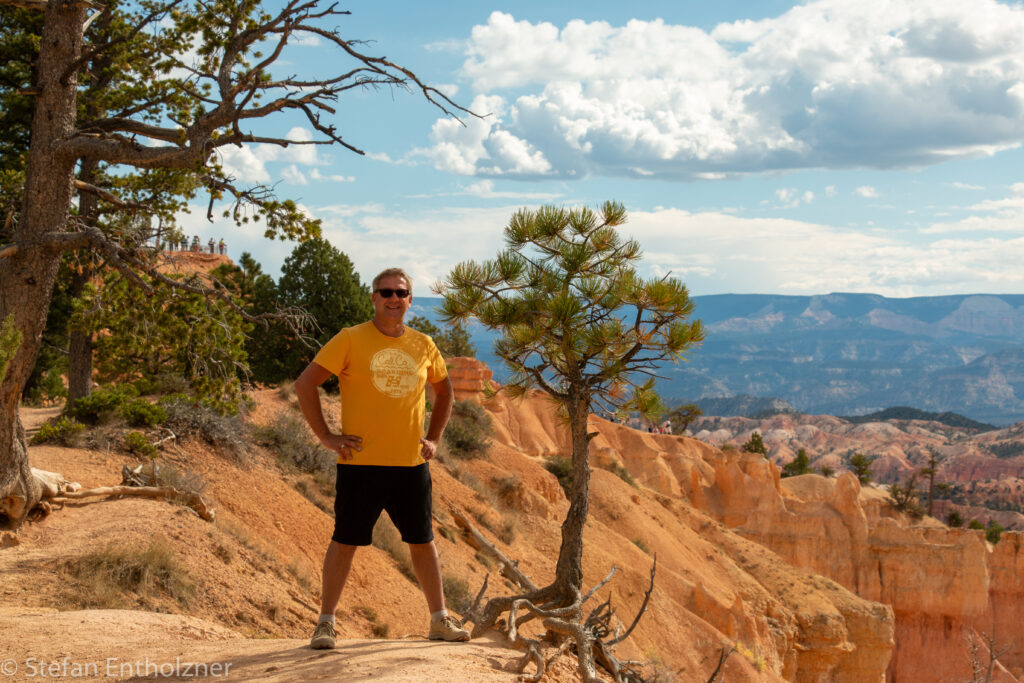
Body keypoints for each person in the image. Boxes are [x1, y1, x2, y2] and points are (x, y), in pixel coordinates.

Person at [294, 267, 470, 650]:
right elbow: (305, 383)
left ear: (410, 300)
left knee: (423, 542)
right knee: (345, 541)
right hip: (361, 464)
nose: (394, 298)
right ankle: (325, 623)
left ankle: (439, 620)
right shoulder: (350, 339)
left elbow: (445, 394)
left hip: (411, 465)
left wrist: (435, 440)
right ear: (373, 298)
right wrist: (325, 435)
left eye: (401, 293)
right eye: (386, 292)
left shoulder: (424, 344)